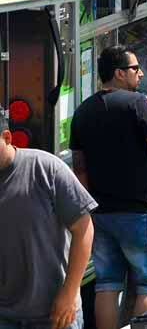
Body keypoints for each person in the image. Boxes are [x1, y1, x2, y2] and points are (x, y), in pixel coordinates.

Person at [70, 45, 147, 329]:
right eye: (134, 68)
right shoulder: (138, 104)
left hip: (100, 213)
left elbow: (80, 167)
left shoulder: (83, 111)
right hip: (138, 211)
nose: (140, 73)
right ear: (119, 73)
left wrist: (91, 207)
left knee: (106, 284)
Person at [0, 114, 95, 329]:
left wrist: (69, 293)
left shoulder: (45, 168)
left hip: (55, 314)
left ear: (7, 137)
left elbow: (84, 228)